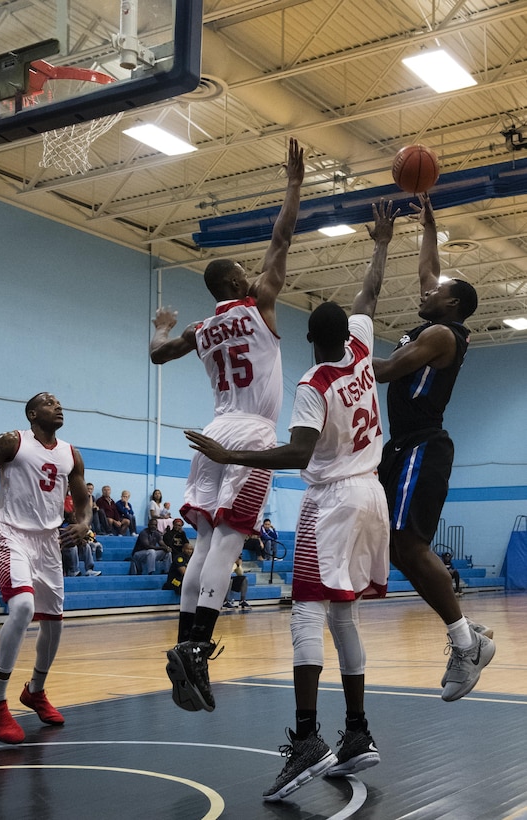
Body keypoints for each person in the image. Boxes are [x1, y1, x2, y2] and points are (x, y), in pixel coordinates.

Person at [186, 199, 397, 800]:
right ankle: (357, 733)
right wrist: (380, 244)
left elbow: (297, 456)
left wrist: (232, 458)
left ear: (309, 339)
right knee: (344, 615)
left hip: (332, 501)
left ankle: (307, 737)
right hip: (373, 495)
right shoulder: (360, 348)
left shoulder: (313, 384)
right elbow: (369, 296)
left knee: (306, 611)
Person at [150, 137, 304, 715]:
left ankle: (186, 636)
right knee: (231, 541)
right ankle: (198, 647)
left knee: (206, 542)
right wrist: (292, 185)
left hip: (210, 433)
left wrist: (160, 328)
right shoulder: (260, 302)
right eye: (245, 273)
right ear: (239, 285)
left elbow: (157, 356)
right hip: (251, 436)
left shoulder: (199, 328)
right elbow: (282, 238)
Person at [373, 193, 495, 703]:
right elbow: (430, 267)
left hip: (423, 444)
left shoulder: (443, 334)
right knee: (399, 550)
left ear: (453, 304)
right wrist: (428, 222)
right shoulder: (433, 315)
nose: (425, 291)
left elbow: (384, 370)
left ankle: (465, 643)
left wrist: (332, 363)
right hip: (402, 447)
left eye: (437, 291)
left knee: (411, 545)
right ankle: (469, 638)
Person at [0, 392, 91, 745]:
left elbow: (83, 498)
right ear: (32, 413)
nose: (58, 406)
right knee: (24, 607)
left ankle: (35, 691)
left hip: (48, 541)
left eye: (60, 402)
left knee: (55, 621)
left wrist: (85, 522)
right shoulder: (12, 441)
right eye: (49, 402)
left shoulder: (70, 453)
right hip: (10, 533)